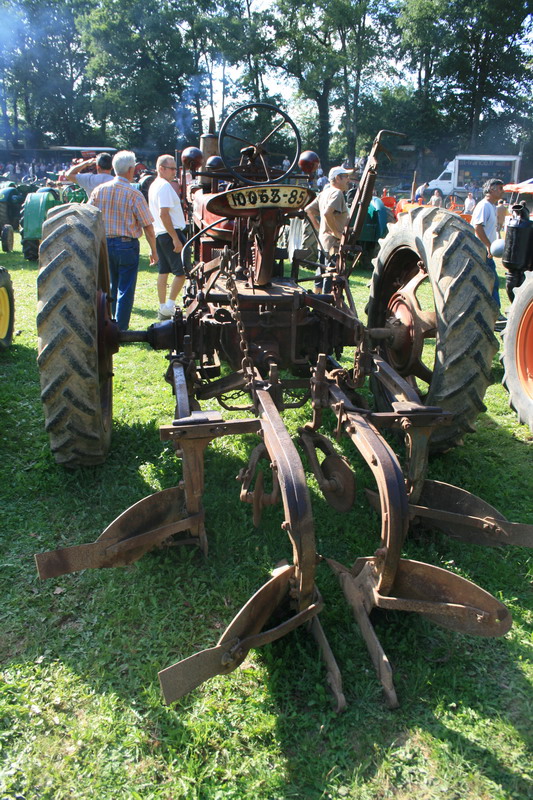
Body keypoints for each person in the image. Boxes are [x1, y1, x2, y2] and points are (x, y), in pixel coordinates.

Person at [89, 150, 157, 330]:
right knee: (125, 289)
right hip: (126, 246)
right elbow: (148, 226)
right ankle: (120, 329)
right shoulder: (134, 194)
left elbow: (88, 216)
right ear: (130, 169)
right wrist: (154, 251)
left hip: (103, 245)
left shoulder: (99, 191)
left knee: (109, 285)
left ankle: (107, 323)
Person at [148, 154, 188, 320]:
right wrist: (175, 238)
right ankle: (169, 306)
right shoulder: (164, 187)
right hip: (170, 233)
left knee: (164, 271)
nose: (175, 172)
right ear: (161, 169)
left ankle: (163, 306)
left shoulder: (154, 185)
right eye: (172, 169)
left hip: (160, 233)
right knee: (182, 271)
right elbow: (164, 214)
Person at [305, 165, 352, 291]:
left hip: (323, 242)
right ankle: (325, 307)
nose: (349, 180)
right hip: (332, 244)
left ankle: (316, 302)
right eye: (346, 177)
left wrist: (319, 228)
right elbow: (326, 213)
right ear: (337, 178)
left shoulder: (324, 193)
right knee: (330, 277)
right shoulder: (337, 193)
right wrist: (336, 233)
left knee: (320, 276)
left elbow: (308, 210)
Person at [471, 178, 505, 307]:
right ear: (492, 189)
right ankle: (495, 311)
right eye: (500, 188)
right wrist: (488, 246)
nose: (503, 191)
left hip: (486, 250)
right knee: (492, 281)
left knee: (490, 281)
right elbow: (477, 227)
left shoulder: (492, 206)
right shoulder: (484, 205)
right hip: (481, 251)